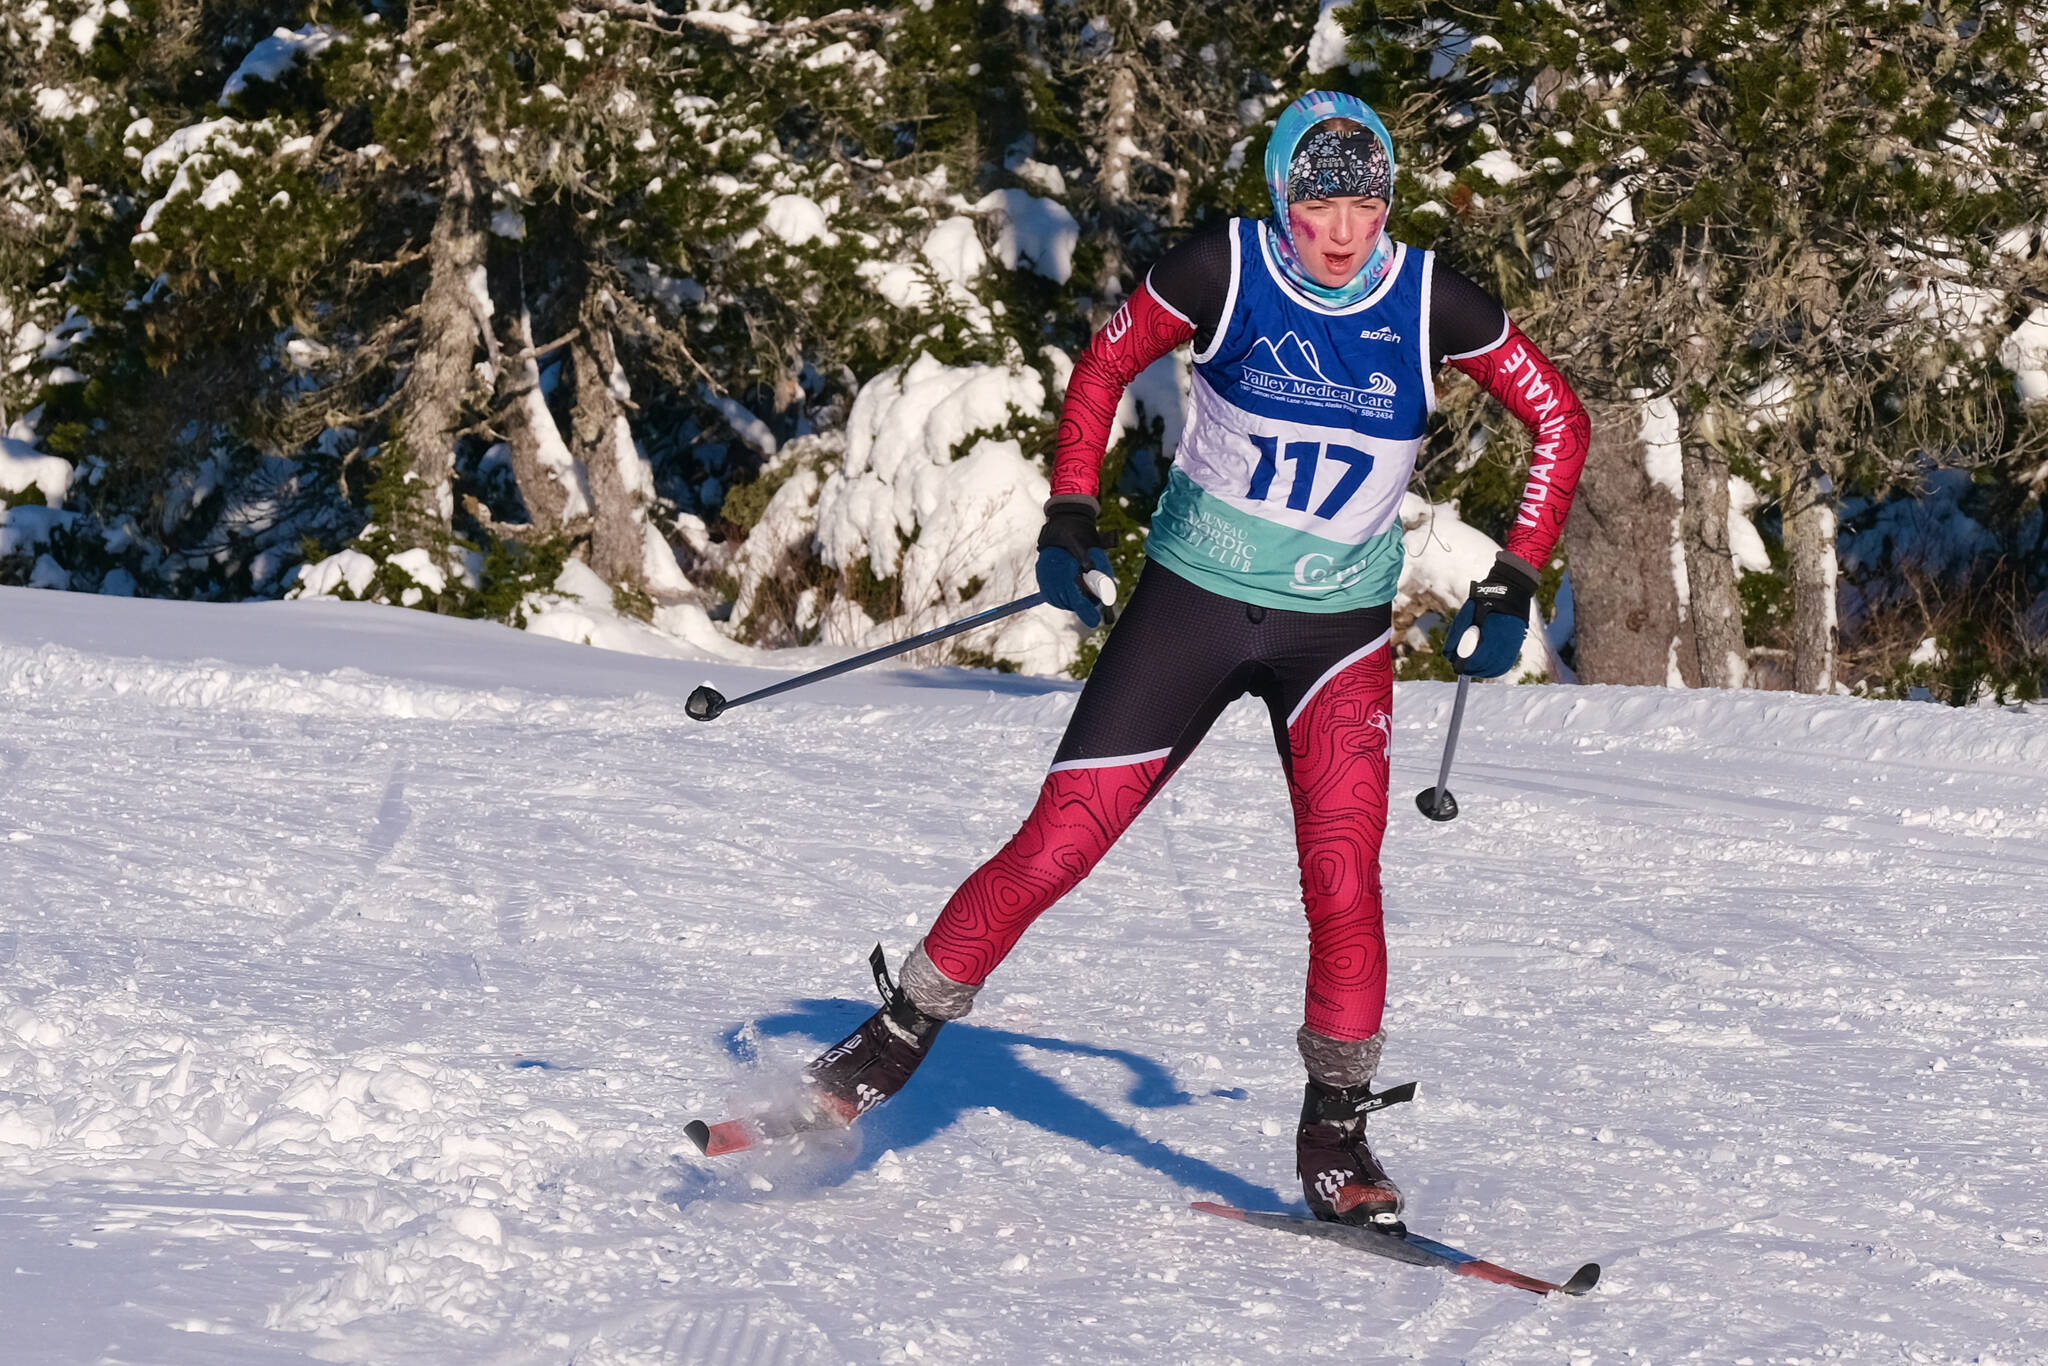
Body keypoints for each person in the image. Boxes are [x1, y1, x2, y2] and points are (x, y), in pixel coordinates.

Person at [797, 91, 1591, 1227]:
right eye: (1317, 202)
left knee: (1342, 879)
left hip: (1335, 634)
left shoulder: (1427, 300)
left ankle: (1336, 1133)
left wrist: (1515, 574)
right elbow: (1102, 367)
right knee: (1059, 842)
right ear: (1279, 199)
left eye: (1366, 203)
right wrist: (1070, 512)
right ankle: (888, 1038)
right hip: (1192, 607)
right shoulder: (1223, 269)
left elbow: (1557, 417)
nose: (1341, 230)